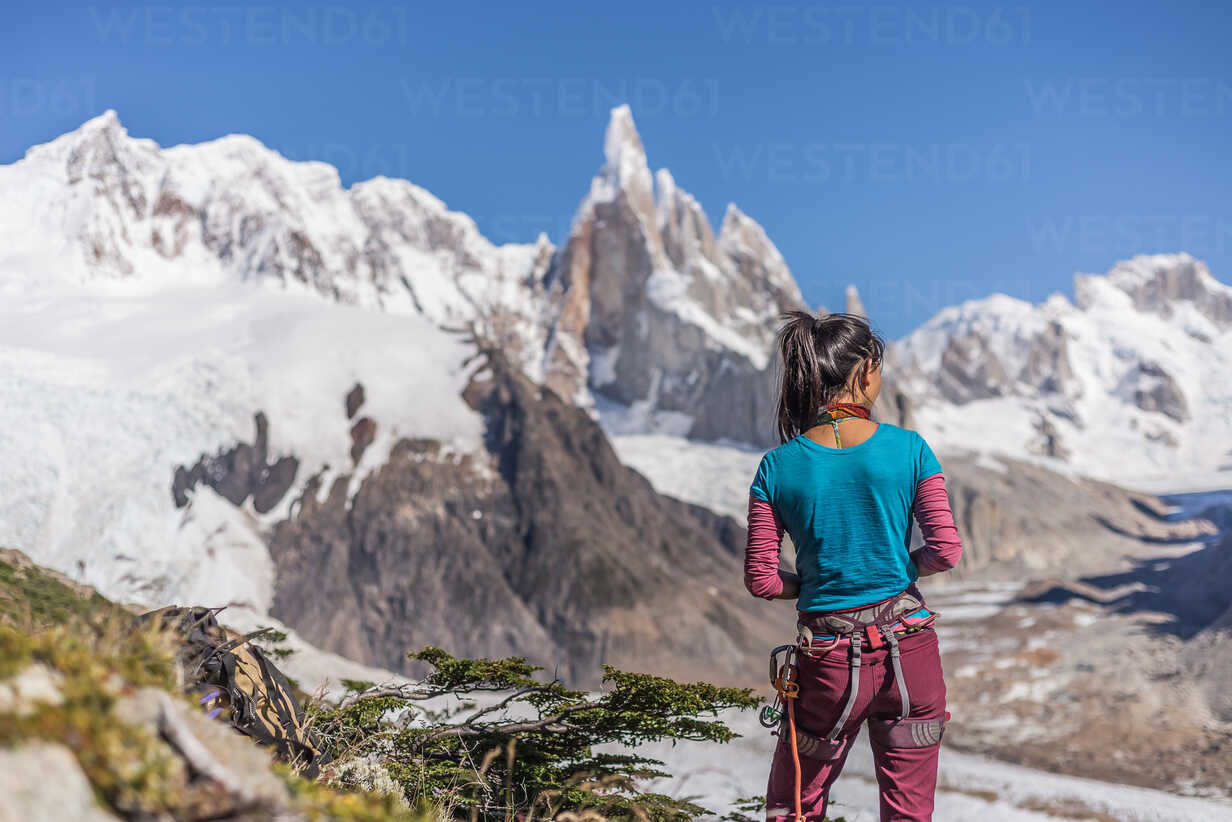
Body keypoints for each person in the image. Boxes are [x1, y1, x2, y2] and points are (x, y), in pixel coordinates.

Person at [745, 311, 963, 822]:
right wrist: (894, 568)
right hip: (910, 651)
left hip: (828, 661)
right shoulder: (910, 450)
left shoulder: (777, 467)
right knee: (908, 812)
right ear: (867, 371)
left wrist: (816, 582)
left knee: (794, 805)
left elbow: (762, 579)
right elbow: (946, 550)